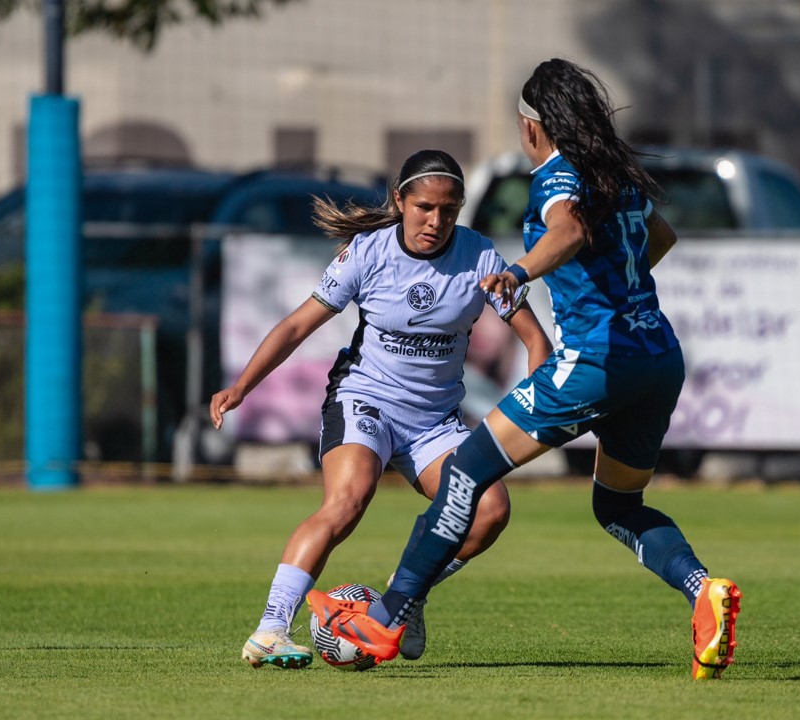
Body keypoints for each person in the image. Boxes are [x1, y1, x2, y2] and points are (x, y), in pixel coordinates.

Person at [307, 59, 742, 681]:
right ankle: (703, 590)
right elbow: (660, 239)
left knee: (464, 476)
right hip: (658, 358)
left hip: (596, 361)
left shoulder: (557, 176)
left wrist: (520, 270)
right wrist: (613, 280)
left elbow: (563, 230)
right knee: (618, 505)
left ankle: (388, 617)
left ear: (531, 126)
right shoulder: (612, 177)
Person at [212, 149, 552, 669]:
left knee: (490, 511)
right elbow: (298, 325)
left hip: (434, 423)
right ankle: (271, 628)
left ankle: (405, 595)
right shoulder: (367, 253)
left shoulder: (480, 258)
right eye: (424, 208)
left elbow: (535, 341)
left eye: (448, 211)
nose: (435, 222)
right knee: (347, 502)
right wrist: (242, 386)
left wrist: (534, 406)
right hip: (365, 400)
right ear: (400, 200)